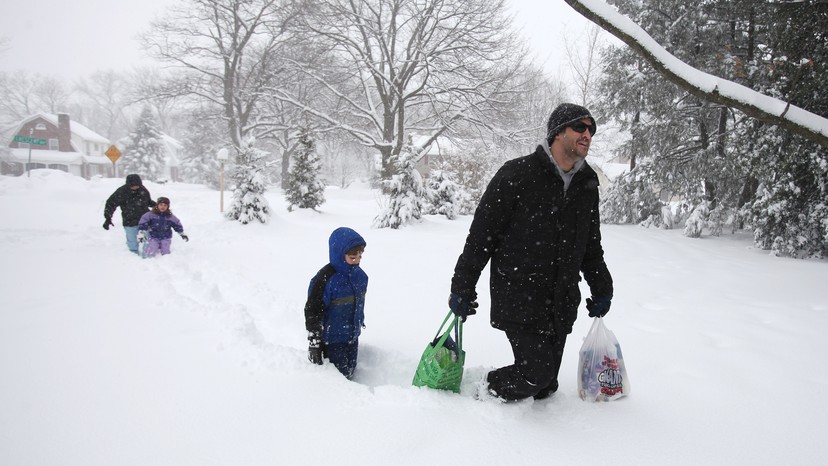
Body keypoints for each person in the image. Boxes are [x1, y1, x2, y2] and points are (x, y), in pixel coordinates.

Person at [448, 103, 614, 402]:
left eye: (591, 129)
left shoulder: (587, 183)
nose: (587, 134)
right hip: (519, 294)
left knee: (546, 385)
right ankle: (485, 387)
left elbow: (590, 244)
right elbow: (481, 237)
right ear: (558, 132)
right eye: (580, 127)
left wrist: (602, 287)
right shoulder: (517, 174)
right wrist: (462, 286)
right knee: (534, 375)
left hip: (561, 298)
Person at [304, 227, 368, 379]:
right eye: (353, 257)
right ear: (339, 254)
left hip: (353, 335)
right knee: (340, 378)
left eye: (360, 256)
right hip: (333, 339)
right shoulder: (325, 280)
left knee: (352, 369)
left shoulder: (361, 277)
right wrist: (314, 343)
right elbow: (312, 311)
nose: (357, 260)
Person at [103, 174, 156, 254]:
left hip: (144, 220)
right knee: (133, 243)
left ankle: (146, 255)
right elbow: (110, 204)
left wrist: (157, 206)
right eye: (133, 186)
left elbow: (148, 202)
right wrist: (108, 218)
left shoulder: (143, 190)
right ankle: (133, 257)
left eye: (137, 185)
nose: (135, 187)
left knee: (144, 241)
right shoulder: (121, 192)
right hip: (129, 221)